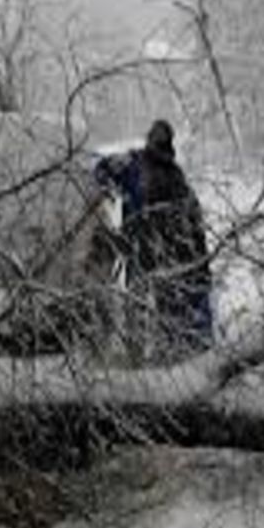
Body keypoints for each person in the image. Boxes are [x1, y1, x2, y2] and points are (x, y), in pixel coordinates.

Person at [95, 120, 212, 360]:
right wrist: (114, 198)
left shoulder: (169, 173)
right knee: (143, 306)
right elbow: (100, 171)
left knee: (160, 306)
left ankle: (161, 355)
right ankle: (144, 356)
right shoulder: (135, 163)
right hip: (145, 251)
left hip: (162, 254)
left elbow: (193, 222)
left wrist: (200, 263)